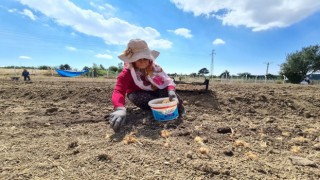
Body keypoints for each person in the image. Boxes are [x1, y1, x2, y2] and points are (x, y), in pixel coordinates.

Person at [109, 39, 185, 131]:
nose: (142, 61)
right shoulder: (126, 73)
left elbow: (166, 81)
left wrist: (171, 91)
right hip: (140, 95)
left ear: (149, 58)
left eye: (145, 58)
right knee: (134, 96)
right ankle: (157, 110)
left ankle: (178, 110)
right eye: (138, 59)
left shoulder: (156, 69)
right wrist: (119, 108)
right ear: (132, 60)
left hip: (156, 92)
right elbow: (119, 91)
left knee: (170, 94)